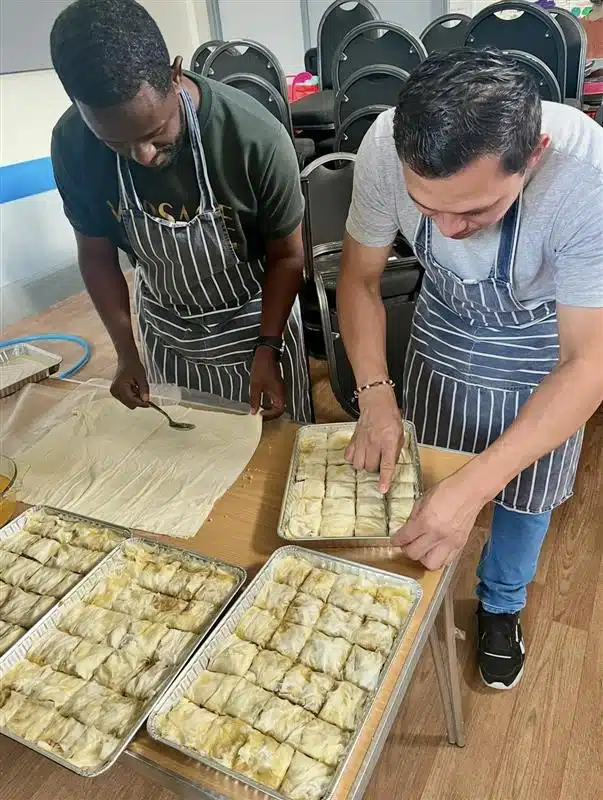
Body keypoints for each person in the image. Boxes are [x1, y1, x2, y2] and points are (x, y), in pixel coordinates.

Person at [338, 48, 603, 689]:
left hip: (544, 345)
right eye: (427, 210)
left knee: (524, 492)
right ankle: (416, 593)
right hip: (444, 327)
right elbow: (360, 279)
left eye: (477, 211)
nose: (451, 231)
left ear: (532, 156)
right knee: (421, 479)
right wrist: (375, 397)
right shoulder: (383, 147)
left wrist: (476, 485)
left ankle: (500, 606)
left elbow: (588, 359)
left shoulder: (586, 176)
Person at [50, 0, 312, 422]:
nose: (143, 156)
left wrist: (268, 346)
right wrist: (124, 353)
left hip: (255, 319)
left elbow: (288, 256)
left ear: (174, 75)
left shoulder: (252, 137)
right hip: (168, 331)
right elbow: (97, 255)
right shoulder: (71, 144)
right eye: (115, 143)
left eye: (155, 133)